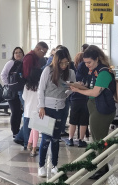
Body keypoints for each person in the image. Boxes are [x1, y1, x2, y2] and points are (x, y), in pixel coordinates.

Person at [70, 45, 116, 180]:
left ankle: (102, 168)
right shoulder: (94, 71)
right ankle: (101, 166)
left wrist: (78, 91)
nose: (87, 65)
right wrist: (80, 86)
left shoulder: (103, 72)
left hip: (102, 109)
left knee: (99, 140)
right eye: (85, 63)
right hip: (95, 106)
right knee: (97, 139)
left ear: (97, 59)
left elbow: (95, 92)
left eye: (89, 62)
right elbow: (91, 87)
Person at [37, 48, 76, 177]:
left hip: (62, 108)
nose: (64, 65)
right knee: (46, 139)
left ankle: (54, 165)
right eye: (61, 63)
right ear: (56, 61)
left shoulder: (70, 72)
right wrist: (41, 107)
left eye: (66, 62)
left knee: (55, 139)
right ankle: (41, 166)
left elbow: (71, 88)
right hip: (47, 108)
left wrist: (67, 92)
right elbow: (40, 89)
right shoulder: (48, 70)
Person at [14, 42, 48, 147]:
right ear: (38, 49)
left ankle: (20, 137)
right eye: (44, 52)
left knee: (28, 118)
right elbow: (27, 74)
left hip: (29, 89)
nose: (44, 55)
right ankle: (26, 142)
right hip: (29, 86)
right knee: (28, 120)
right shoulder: (29, 58)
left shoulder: (35, 58)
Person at [0, 47, 24, 138]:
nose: (18, 54)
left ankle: (18, 130)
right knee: (15, 111)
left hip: (21, 91)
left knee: (20, 112)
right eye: (16, 53)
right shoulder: (10, 63)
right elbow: (3, 75)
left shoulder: (24, 63)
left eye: (20, 52)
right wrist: (8, 85)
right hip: (12, 92)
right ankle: (15, 132)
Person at [66, 52, 89, 147]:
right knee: (84, 121)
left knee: (73, 121)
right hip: (85, 100)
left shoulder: (74, 75)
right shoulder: (89, 77)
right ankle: (81, 140)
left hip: (75, 100)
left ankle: (70, 139)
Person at [22, 68, 42, 157]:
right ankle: (34, 149)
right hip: (37, 108)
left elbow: (24, 97)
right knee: (35, 128)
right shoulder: (40, 85)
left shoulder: (27, 85)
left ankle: (29, 144)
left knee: (34, 128)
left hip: (28, 109)